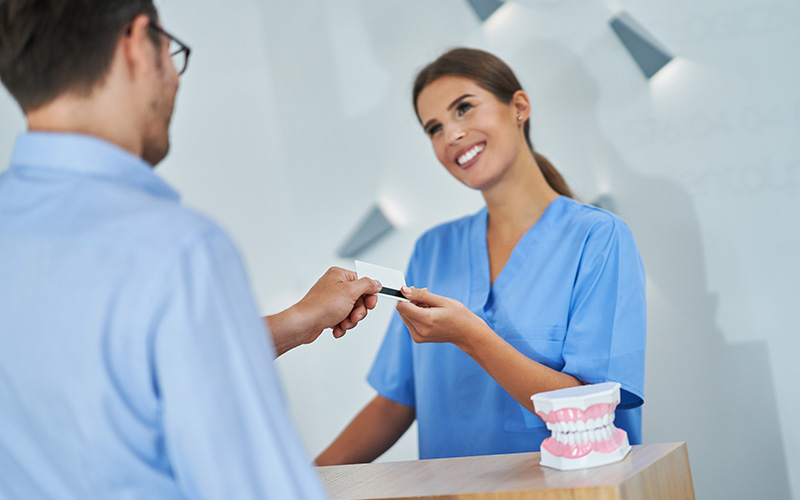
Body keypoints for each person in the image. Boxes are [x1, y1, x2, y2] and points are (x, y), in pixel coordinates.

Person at [0, 1, 381, 498]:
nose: (175, 82)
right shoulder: (178, 251)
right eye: (172, 53)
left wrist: (297, 321)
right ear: (139, 43)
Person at [316, 48, 646, 464]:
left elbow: (591, 409)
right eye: (434, 128)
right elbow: (394, 403)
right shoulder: (433, 250)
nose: (451, 134)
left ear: (519, 107)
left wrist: (472, 337)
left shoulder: (597, 239)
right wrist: (295, 485)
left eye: (464, 109)